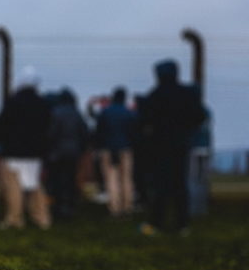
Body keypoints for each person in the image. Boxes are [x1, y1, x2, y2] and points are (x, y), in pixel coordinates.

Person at [137, 59, 206, 234]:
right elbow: (200, 116)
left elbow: (144, 121)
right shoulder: (187, 94)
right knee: (180, 185)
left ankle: (156, 223)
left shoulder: (155, 95)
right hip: (181, 144)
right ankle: (182, 224)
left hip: (159, 146)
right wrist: (187, 129)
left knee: (160, 185)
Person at [0, 71, 52, 229]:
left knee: (14, 187)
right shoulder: (43, 103)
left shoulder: (12, 102)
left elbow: (2, 126)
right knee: (35, 185)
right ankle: (41, 217)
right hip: (35, 153)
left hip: (14, 152)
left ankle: (15, 219)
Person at [45, 88, 89, 220]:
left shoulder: (55, 113)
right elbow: (84, 134)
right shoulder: (77, 113)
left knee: (57, 180)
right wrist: (81, 149)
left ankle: (59, 207)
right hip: (74, 153)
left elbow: (51, 134)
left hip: (57, 153)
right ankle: (70, 206)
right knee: (70, 179)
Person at [93, 87, 137, 216]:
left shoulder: (105, 112)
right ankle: (127, 206)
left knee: (112, 179)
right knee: (127, 178)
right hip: (126, 148)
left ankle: (115, 207)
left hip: (108, 149)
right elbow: (133, 132)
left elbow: (99, 131)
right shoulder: (129, 113)